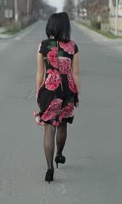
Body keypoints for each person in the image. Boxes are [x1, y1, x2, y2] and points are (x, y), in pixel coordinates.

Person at [34, 12, 80, 183]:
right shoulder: (72, 47)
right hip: (67, 88)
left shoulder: (43, 45)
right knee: (62, 125)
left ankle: (49, 168)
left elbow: (40, 72)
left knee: (49, 129)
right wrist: (78, 93)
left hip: (49, 88)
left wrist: (39, 91)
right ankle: (59, 154)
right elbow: (76, 72)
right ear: (65, 26)